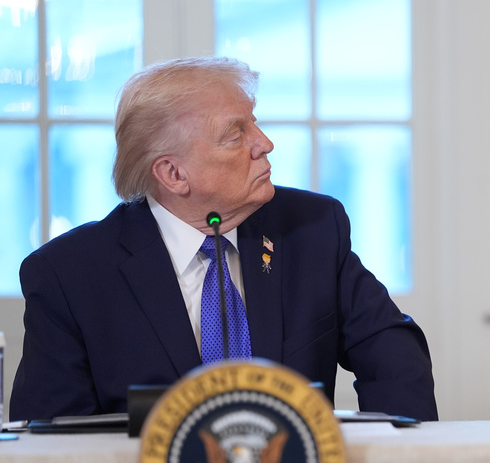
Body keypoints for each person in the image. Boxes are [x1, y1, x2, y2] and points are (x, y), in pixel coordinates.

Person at [10, 57, 437, 422]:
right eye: (236, 136)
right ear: (173, 174)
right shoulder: (69, 274)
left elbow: (395, 356)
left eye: (254, 124)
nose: (265, 144)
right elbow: (52, 431)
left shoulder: (312, 228)